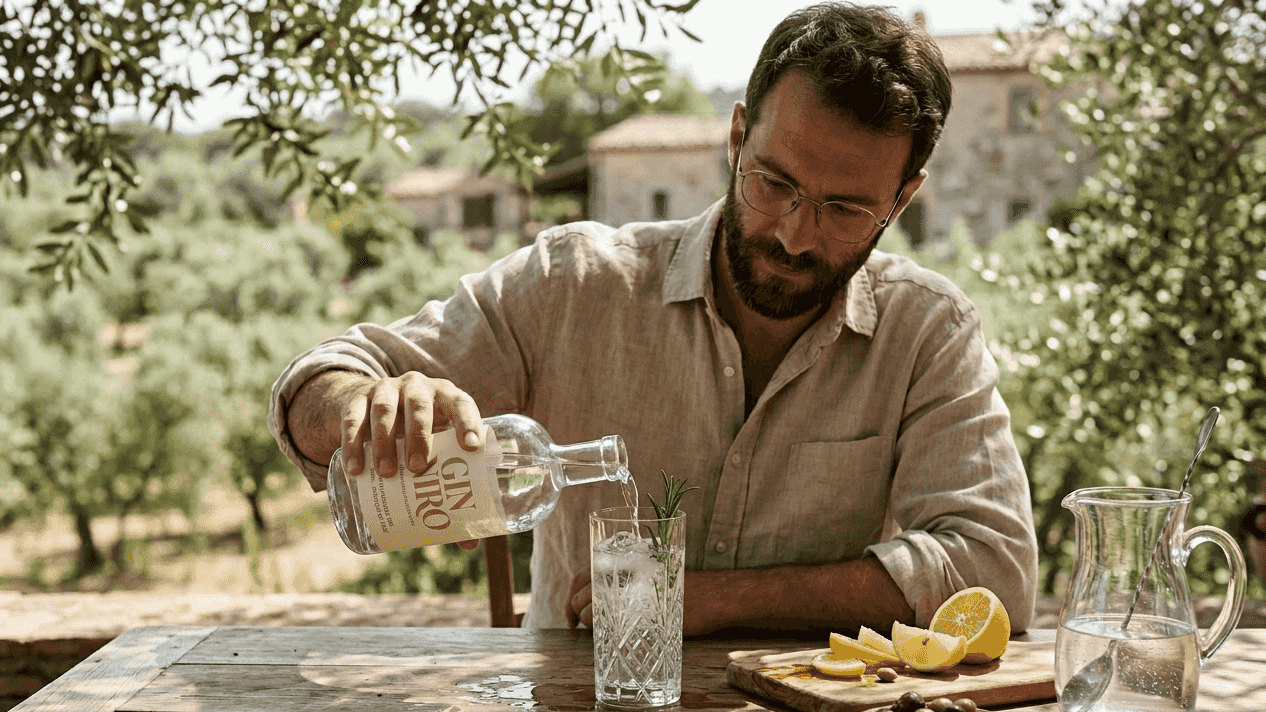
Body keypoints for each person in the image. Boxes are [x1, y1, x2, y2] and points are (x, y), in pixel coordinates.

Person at [268, 1, 1039, 635]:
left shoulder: (928, 331)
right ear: (737, 139)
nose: (794, 234)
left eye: (844, 209)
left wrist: (708, 599)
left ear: (902, 199)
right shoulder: (575, 283)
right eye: (773, 182)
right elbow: (314, 386)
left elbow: (995, 571)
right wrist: (361, 407)